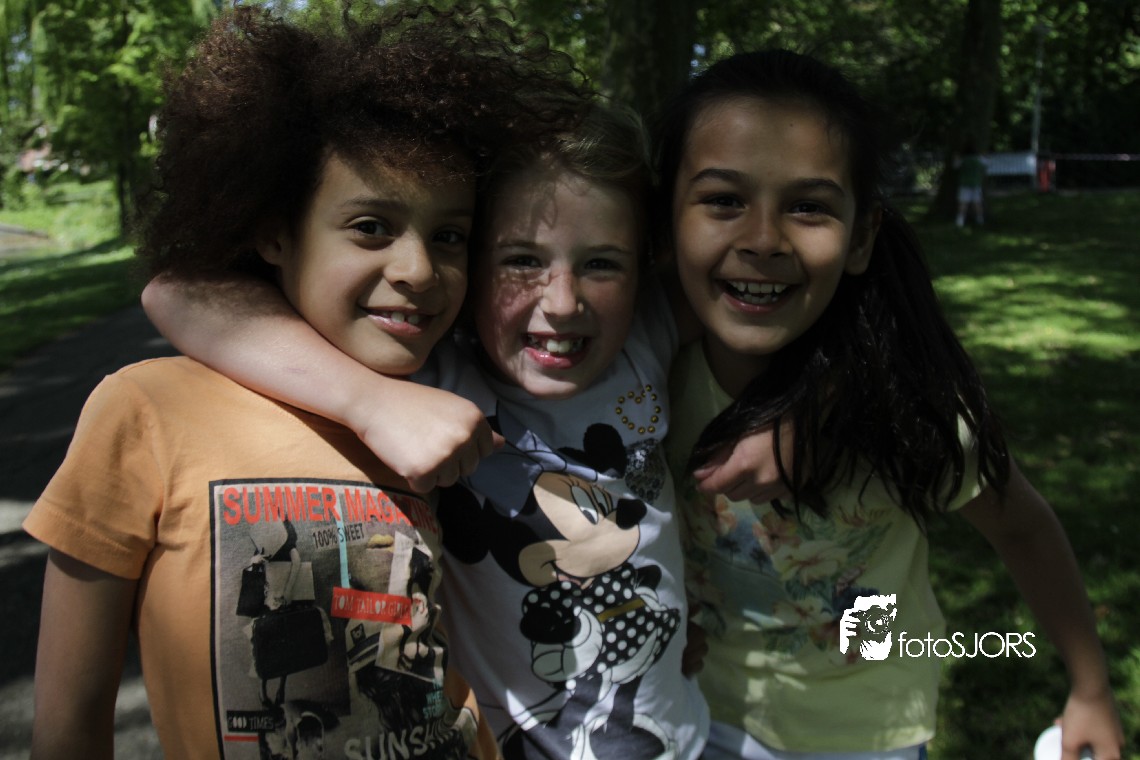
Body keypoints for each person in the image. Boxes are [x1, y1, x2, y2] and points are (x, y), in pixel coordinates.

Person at [24, 4, 587, 758]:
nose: (419, 268)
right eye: (370, 227)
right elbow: (69, 720)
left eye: (450, 235)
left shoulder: (462, 391)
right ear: (274, 232)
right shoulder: (146, 409)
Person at [143, 100, 723, 760]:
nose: (563, 303)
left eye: (602, 264)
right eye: (521, 260)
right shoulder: (439, 376)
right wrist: (371, 402)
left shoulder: (646, 334)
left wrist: (783, 418)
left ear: (643, 265)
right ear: (471, 264)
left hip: (681, 738)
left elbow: (762, 293)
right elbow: (177, 292)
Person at [655, 49, 1124, 760]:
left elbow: (1023, 527)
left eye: (809, 206)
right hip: (692, 709)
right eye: (724, 199)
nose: (763, 239)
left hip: (867, 731)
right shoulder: (641, 374)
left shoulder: (910, 411)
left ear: (862, 236)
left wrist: (1089, 689)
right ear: (664, 219)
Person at [955, 142, 986, 226]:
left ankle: (960, 220)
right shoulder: (979, 159)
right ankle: (980, 219)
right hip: (976, 183)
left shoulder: (963, 160)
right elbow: (987, 163)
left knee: (963, 202)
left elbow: (955, 165)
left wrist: (956, 157)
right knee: (977, 202)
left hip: (964, 184)